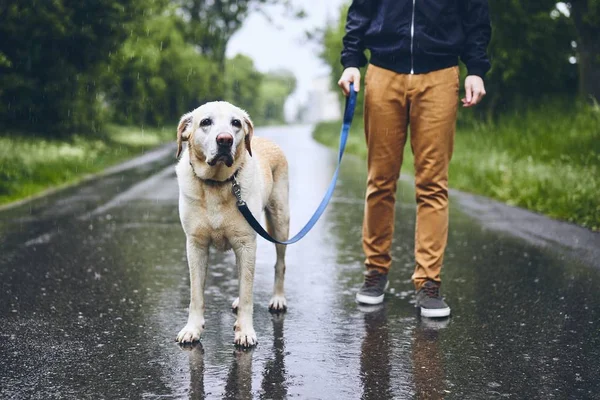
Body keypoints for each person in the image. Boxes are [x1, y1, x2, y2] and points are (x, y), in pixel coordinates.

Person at [338, 0, 491, 317]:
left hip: (439, 75)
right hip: (383, 73)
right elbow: (361, 11)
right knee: (380, 181)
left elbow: (475, 14)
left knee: (433, 184)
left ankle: (429, 283)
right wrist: (352, 60)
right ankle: (375, 273)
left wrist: (476, 68)